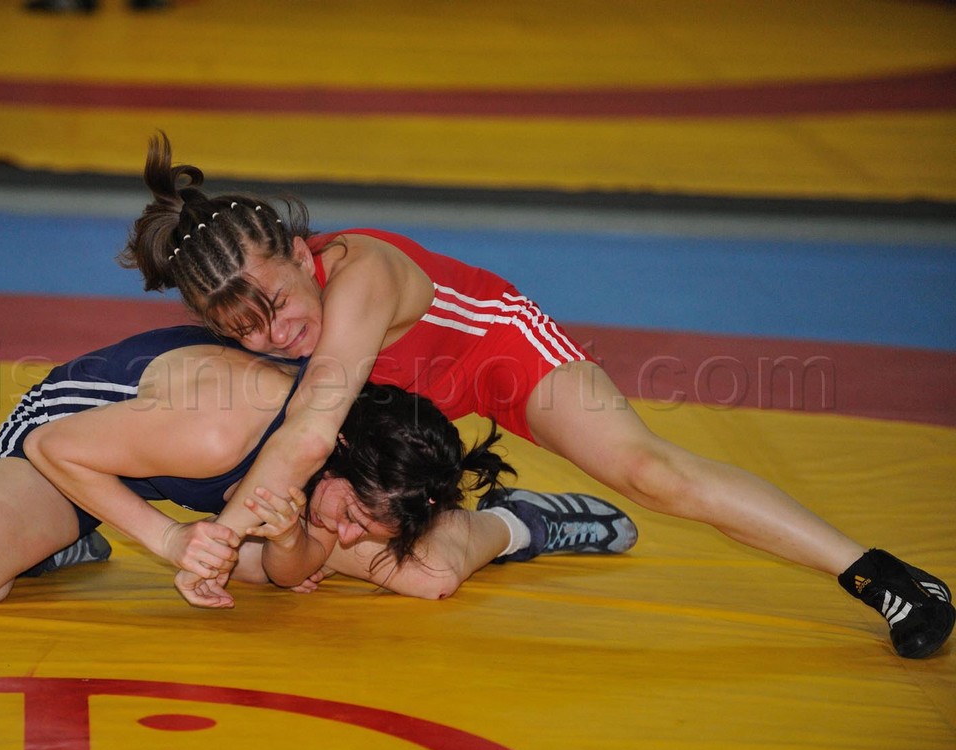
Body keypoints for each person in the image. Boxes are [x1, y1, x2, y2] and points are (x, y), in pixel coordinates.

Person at [120, 132, 954, 658]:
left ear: (306, 256)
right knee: (397, 570)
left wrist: (216, 538)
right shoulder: (288, 328)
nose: (276, 335)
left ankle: (876, 573)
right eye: (245, 329)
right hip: (392, 407)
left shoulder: (361, 275)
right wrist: (229, 535)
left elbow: (307, 431)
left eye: (277, 305)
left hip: (492, 353)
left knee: (649, 471)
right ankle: (523, 522)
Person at [0, 325, 634, 615]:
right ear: (334, 451)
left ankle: (516, 522)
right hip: (69, 450)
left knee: (431, 575)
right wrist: (167, 540)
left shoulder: (335, 470)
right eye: (353, 514)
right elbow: (53, 447)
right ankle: (58, 541)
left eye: (362, 527)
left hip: (188, 479)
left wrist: (291, 540)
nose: (348, 532)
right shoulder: (223, 421)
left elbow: (294, 566)